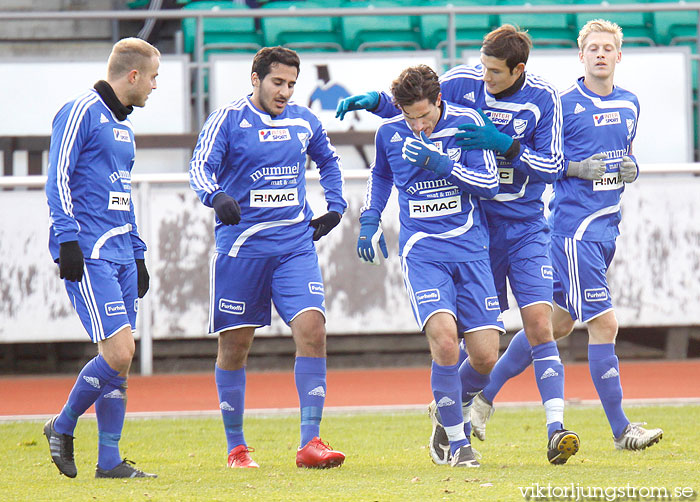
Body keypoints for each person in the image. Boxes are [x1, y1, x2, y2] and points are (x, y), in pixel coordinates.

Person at [337, 25, 579, 465]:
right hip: (476, 229)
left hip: (522, 224)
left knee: (532, 328)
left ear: (518, 70)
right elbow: (415, 101)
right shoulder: (464, 82)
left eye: (492, 71)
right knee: (457, 344)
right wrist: (374, 102)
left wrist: (506, 145)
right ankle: (454, 424)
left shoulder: (544, 99)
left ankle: (552, 427)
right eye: (481, 67)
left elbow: (554, 166)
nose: (482, 76)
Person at [471, 19, 663, 452]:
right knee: (605, 324)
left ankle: (482, 400)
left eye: (607, 48)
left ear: (618, 55)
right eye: (592, 47)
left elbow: (624, 156)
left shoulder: (631, 103)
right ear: (581, 56)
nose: (599, 53)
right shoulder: (562, 104)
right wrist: (579, 169)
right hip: (574, 231)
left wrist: (631, 167)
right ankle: (621, 430)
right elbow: (547, 162)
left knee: (553, 325)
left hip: (606, 228)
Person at [189, 46, 347, 469]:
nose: (285, 91)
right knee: (236, 347)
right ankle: (237, 448)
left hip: (294, 245)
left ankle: (310, 443)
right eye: (278, 82)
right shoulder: (227, 119)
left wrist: (335, 205)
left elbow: (329, 162)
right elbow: (200, 166)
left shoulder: (304, 120)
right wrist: (216, 195)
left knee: (313, 329)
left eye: (292, 84)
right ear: (255, 78)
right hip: (242, 248)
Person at [358, 64, 503, 467]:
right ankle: (459, 445)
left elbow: (489, 184)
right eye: (409, 117)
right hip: (422, 251)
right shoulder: (390, 131)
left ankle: (446, 411)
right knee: (443, 341)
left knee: (486, 356)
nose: (417, 125)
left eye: (423, 115)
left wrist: (441, 164)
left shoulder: (468, 123)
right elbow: (381, 176)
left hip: (471, 250)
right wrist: (370, 218)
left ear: (439, 100)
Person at [43, 37, 160, 479]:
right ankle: (63, 424)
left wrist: (138, 252)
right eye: (152, 78)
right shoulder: (80, 111)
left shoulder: (122, 127)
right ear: (133, 75)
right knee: (119, 352)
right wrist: (67, 239)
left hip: (120, 253)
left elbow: (121, 195)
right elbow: (56, 178)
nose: (154, 86)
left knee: (120, 359)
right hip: (89, 251)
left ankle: (109, 460)